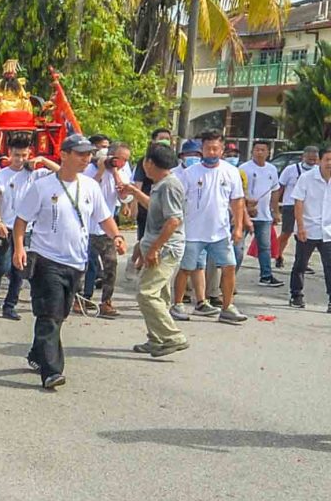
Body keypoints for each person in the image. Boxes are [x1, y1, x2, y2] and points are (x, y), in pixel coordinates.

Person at [10, 133, 126, 390]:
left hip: (76, 261)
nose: (86, 159)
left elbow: (103, 217)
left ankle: (37, 353)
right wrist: (19, 248)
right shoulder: (42, 187)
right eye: (81, 154)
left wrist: (116, 235)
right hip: (46, 259)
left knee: (59, 314)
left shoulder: (90, 187)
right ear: (64, 155)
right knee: (49, 313)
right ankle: (51, 371)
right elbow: (20, 221)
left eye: (89, 155)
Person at [175, 131, 250, 324]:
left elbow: (237, 201)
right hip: (193, 231)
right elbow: (178, 199)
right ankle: (177, 304)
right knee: (187, 268)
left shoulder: (231, 172)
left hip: (220, 231)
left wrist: (238, 226)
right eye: (208, 148)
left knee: (229, 266)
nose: (212, 152)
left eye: (216, 148)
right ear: (202, 149)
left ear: (222, 149)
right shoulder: (190, 173)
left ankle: (227, 307)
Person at [128, 144, 190, 359]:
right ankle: (157, 338)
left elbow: (174, 220)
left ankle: (172, 336)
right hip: (158, 247)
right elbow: (156, 207)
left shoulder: (169, 185)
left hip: (166, 249)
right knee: (159, 295)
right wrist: (135, 193)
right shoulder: (160, 185)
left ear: (150, 163)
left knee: (147, 293)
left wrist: (155, 248)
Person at [288, 146, 331, 313]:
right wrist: (301, 227)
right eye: (327, 159)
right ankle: (296, 294)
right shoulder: (307, 178)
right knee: (301, 264)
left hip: (329, 230)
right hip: (309, 228)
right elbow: (298, 203)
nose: (330, 163)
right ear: (319, 160)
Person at [0, 132, 36, 318]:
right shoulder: (0, 177)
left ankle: (10, 305)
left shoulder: (34, 174)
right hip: (5, 227)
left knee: (19, 269)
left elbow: (57, 172)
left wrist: (42, 162)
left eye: (24, 155)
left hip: (26, 229)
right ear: (9, 153)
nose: (19, 159)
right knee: (2, 265)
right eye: (16, 155)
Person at [85, 141, 136, 317]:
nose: (122, 163)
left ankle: (106, 301)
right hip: (86, 227)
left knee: (111, 264)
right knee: (87, 267)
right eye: (119, 159)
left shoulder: (121, 172)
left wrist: (115, 173)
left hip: (107, 228)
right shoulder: (90, 169)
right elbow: (86, 191)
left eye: (125, 160)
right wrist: (101, 170)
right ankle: (83, 298)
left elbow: (124, 196)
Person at [241, 141, 284, 286]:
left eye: (263, 150)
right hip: (245, 215)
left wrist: (275, 211)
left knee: (265, 247)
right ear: (252, 151)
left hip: (264, 215)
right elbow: (237, 191)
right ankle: (229, 277)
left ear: (268, 152)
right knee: (237, 247)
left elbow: (275, 191)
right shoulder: (244, 168)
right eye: (257, 149)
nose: (260, 152)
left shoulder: (271, 169)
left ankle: (266, 275)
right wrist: (247, 204)